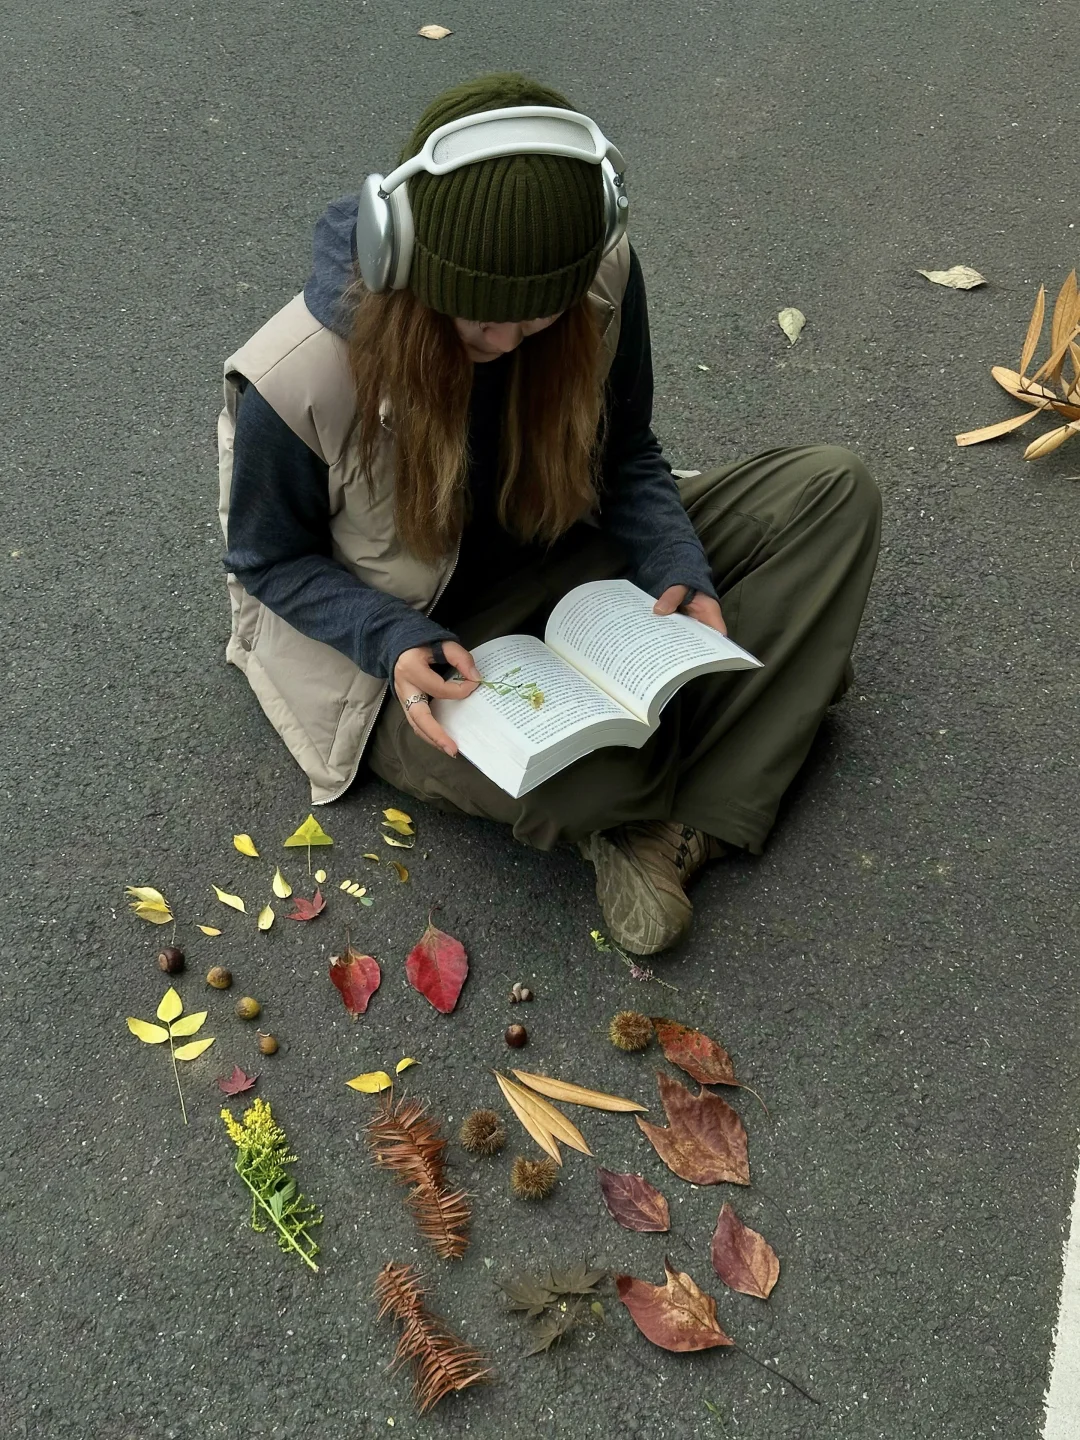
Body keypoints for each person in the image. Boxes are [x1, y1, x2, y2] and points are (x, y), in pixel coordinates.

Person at [217, 72, 881, 957]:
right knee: (588, 786)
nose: (504, 344)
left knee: (834, 491)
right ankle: (741, 734)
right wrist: (389, 638)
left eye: (537, 322)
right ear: (402, 254)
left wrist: (679, 563)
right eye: (478, 324)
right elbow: (266, 562)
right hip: (420, 636)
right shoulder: (297, 375)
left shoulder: (600, 272)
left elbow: (628, 452)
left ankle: (679, 812)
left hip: (570, 550)